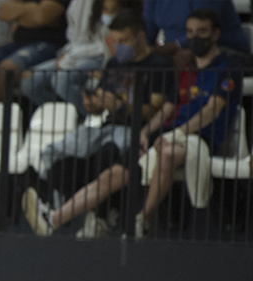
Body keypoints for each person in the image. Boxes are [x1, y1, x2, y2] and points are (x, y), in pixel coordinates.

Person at [24, 9, 243, 239]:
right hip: (166, 134)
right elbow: (168, 108)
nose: (194, 37)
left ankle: (142, 220)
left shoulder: (229, 67)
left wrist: (175, 133)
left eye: (202, 32)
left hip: (199, 137)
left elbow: (211, 111)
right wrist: (145, 133)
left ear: (216, 34)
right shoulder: (186, 69)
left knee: (167, 152)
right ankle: (54, 218)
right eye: (189, 32)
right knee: (113, 174)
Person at [35, 10, 174, 183]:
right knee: (57, 153)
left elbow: (156, 111)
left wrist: (121, 107)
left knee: (105, 153)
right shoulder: (113, 63)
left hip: (135, 131)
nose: (118, 46)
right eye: (115, 41)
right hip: (106, 126)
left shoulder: (158, 67)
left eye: (124, 41)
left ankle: (104, 208)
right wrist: (93, 104)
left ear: (140, 36)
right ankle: (53, 201)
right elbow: (99, 106)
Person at [21, 0, 139, 116]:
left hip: (97, 58)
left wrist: (70, 57)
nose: (108, 12)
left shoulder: (115, 19)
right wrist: (67, 54)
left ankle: (89, 118)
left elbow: (105, 47)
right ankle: (63, 118)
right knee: (29, 79)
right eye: (105, 9)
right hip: (73, 53)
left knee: (61, 79)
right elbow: (73, 37)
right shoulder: (76, 3)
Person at [144, 0, 249, 68]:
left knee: (186, 56)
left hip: (221, 49)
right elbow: (147, 32)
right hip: (174, 52)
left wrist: (174, 46)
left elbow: (203, 27)